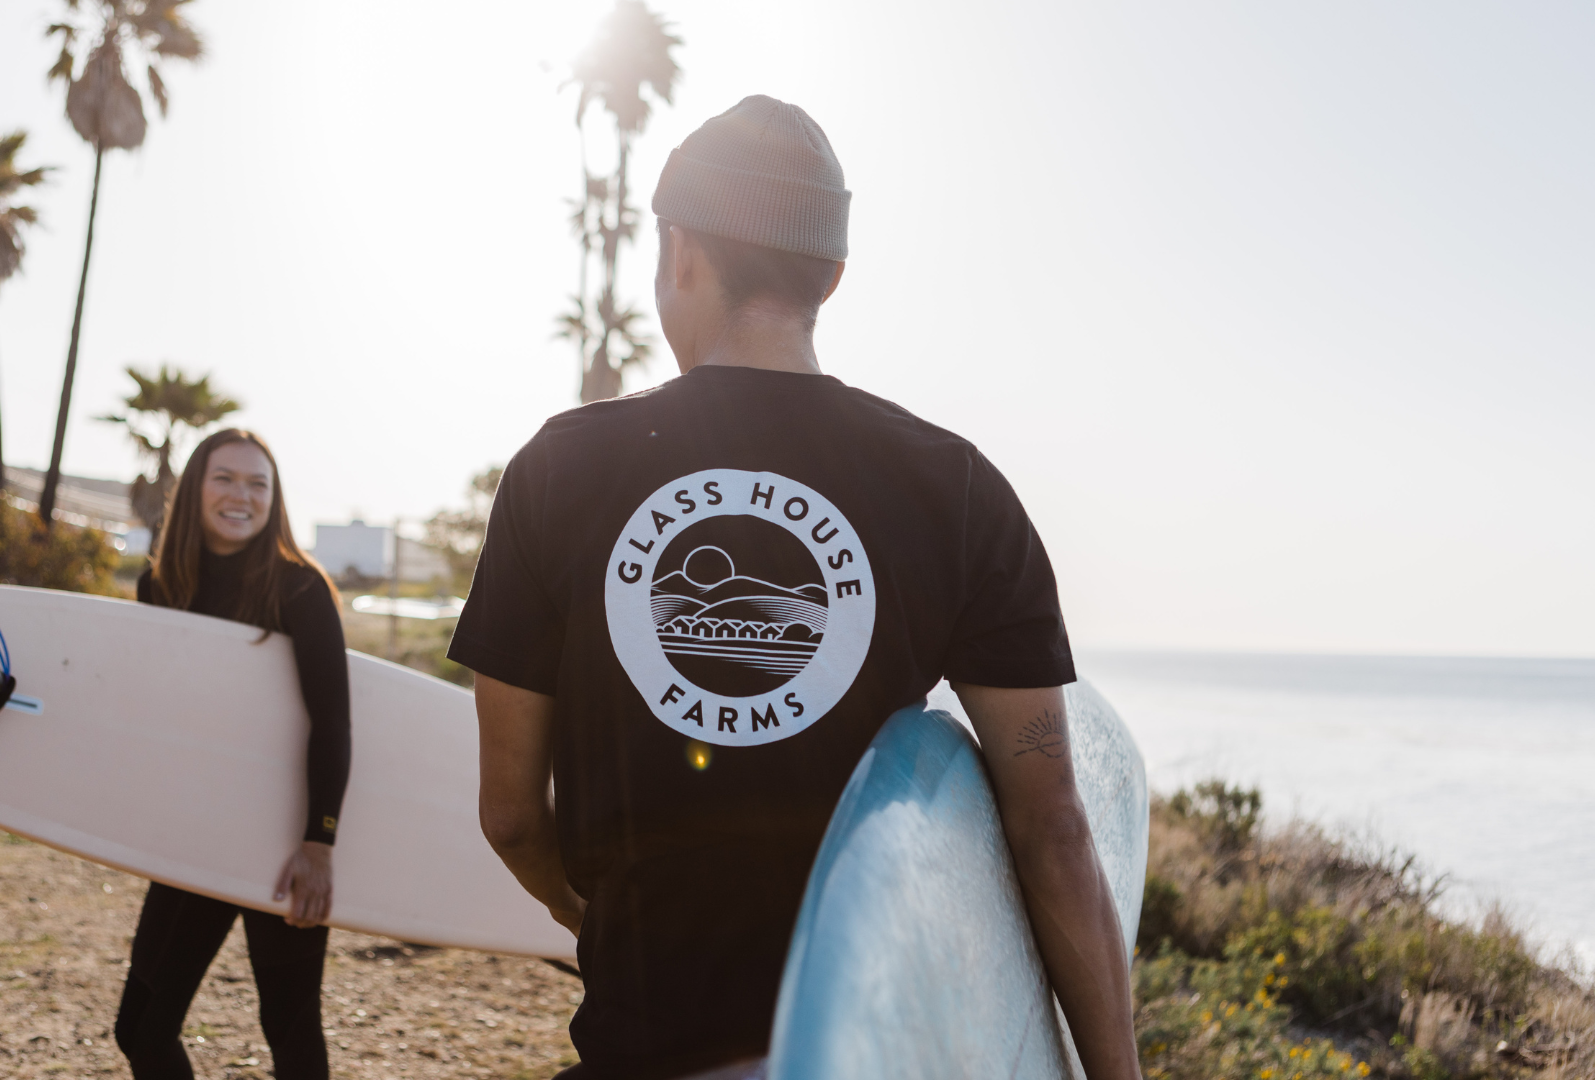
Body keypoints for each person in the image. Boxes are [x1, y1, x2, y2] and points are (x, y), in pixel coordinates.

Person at [450, 96, 1141, 1079]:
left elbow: (511, 814)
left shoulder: (558, 470)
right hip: (869, 1049)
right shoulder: (956, 490)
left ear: (681, 253)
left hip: (644, 1047)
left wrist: (589, 907)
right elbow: (1055, 825)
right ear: (832, 275)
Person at [113, 428, 350, 1080]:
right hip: (200, 835)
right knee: (141, 1027)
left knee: (291, 1027)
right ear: (195, 487)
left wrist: (318, 844)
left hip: (284, 838)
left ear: (275, 499)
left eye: (258, 483)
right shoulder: (161, 586)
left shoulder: (301, 590)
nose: (241, 496)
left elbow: (331, 721)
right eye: (225, 478)